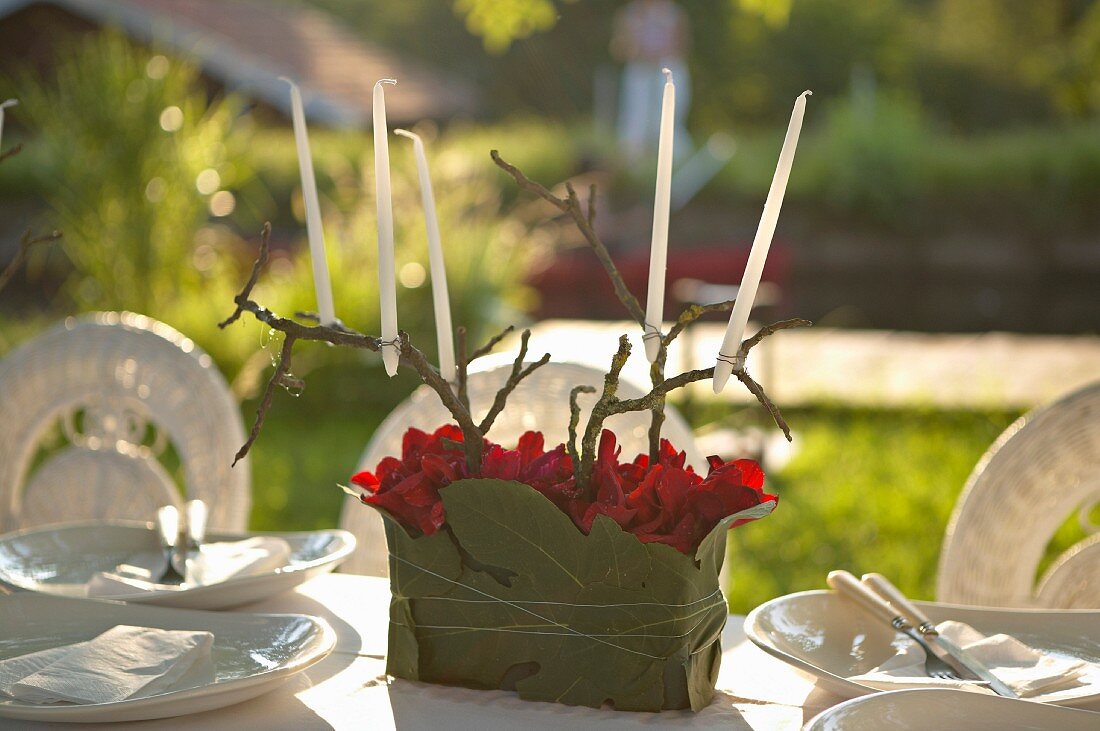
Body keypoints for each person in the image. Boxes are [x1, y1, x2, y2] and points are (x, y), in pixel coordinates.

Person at [611, 0, 692, 159]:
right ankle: (633, 161)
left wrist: (664, 54)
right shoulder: (628, 14)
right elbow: (618, 47)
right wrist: (635, 51)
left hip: (669, 68)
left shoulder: (674, 13)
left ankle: (671, 159)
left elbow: (684, 43)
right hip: (639, 70)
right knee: (636, 118)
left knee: (667, 117)